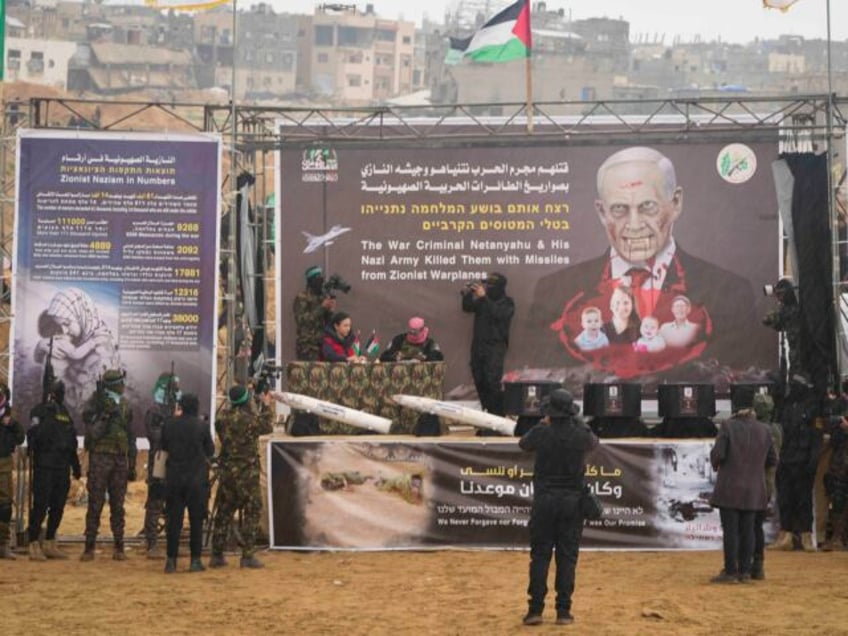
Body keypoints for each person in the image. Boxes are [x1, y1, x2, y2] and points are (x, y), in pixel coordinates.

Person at [525, 146, 761, 373]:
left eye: (648, 206)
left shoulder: (730, 292)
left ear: (676, 203)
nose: (635, 225)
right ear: (601, 212)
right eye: (619, 208)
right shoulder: (554, 291)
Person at [519, 389, 598, 626]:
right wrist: (575, 420)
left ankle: (535, 610)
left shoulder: (542, 431)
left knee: (540, 555)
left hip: (544, 502)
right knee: (567, 557)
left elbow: (523, 443)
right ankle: (563, 611)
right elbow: (594, 442)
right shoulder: (580, 433)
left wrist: (545, 423)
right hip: (572, 504)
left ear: (550, 412)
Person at [708, 386, 777, 583]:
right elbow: (772, 459)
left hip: (730, 487)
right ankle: (746, 572)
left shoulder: (728, 426)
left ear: (734, 405)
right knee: (748, 530)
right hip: (754, 489)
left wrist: (715, 463)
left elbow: (718, 455)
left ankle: (731, 572)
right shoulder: (764, 430)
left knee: (731, 531)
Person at [209, 385, 274, 569]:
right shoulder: (251, 420)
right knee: (253, 511)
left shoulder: (221, 420)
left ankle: (216, 554)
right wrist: (266, 405)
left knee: (224, 512)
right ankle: (247, 555)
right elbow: (267, 425)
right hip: (247, 472)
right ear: (246, 400)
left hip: (228, 471)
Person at [80, 369, 137, 562]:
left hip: (120, 458)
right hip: (100, 458)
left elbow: (130, 436)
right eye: (120, 383)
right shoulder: (94, 404)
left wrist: (132, 463)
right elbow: (93, 434)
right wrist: (105, 415)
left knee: (118, 504)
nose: (123, 386)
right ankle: (89, 547)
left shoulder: (126, 405)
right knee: (95, 503)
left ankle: (119, 546)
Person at [34, 287, 121, 411]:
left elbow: (80, 402)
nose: (63, 330)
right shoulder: (79, 337)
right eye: (60, 325)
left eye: (67, 323)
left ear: (81, 315)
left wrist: (60, 385)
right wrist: (41, 346)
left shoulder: (101, 350)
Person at [26, 381, 81, 561]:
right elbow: (33, 437)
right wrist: (48, 417)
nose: (60, 395)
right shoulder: (38, 411)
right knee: (40, 506)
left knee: (58, 507)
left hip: (62, 466)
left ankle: (50, 540)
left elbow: (71, 440)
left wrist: (76, 465)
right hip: (44, 466)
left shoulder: (65, 413)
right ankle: (33, 542)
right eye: (58, 392)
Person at [161, 393, 214, 573]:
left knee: (174, 522)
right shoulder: (202, 426)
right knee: (196, 522)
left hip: (174, 479)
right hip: (196, 481)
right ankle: (195, 561)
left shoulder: (169, 424)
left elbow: (163, 446)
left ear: (180, 406)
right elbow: (211, 451)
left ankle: (171, 561)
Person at [770, 375, 822, 552]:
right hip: (786, 460)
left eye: (795, 386)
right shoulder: (786, 407)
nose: (792, 389)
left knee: (803, 500)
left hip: (803, 461)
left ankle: (806, 536)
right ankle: (786, 536)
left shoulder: (813, 408)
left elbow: (817, 438)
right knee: (785, 499)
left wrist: (813, 462)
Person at [461, 272, 515, 416]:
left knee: (492, 381)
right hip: (478, 347)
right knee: (480, 379)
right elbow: (467, 308)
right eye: (486, 285)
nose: (488, 288)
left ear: (500, 287)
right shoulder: (483, 301)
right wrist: (466, 294)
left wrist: (484, 297)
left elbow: (498, 314)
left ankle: (497, 414)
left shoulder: (508, 303)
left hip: (495, 347)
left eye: (491, 285)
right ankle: (487, 412)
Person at [142, 372, 180, 559]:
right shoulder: (155, 411)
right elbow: (154, 436)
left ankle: (172, 541)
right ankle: (152, 542)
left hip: (175, 460)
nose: (177, 390)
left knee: (174, 502)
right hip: (159, 459)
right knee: (156, 501)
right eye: (174, 387)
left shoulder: (176, 409)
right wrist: (170, 425)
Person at [751, 392, 782, 579]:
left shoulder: (758, 430)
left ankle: (753, 564)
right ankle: (758, 564)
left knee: (750, 526)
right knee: (756, 525)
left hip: (756, 481)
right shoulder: (775, 429)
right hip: (766, 483)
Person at [821, 382, 848, 552]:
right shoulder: (838, 405)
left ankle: (839, 537)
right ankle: (838, 537)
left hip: (841, 458)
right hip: (840, 458)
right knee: (838, 497)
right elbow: (828, 425)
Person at [0, 385, 24, 559]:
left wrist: (12, 424)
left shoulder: (11, 415)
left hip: (4, 463)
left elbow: (20, 437)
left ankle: (3, 544)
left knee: (5, 505)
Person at [293, 266, 336, 360]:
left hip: (323, 344)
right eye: (318, 279)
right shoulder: (302, 298)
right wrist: (321, 308)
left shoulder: (322, 297)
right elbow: (302, 321)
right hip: (308, 346)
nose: (321, 283)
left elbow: (328, 323)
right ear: (311, 281)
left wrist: (330, 311)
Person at [380, 316, 445, 362]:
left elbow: (440, 359)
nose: (412, 333)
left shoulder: (429, 343)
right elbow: (383, 357)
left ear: (422, 330)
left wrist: (424, 358)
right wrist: (395, 357)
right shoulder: (399, 340)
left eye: (415, 332)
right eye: (411, 331)